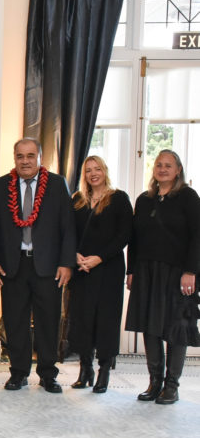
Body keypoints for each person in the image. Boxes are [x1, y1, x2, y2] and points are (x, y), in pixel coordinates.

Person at [0, 138, 76, 393]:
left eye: (30, 156)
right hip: (12, 266)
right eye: (20, 156)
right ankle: (18, 373)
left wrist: (66, 263)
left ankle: (48, 374)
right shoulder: (1, 186)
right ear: (14, 158)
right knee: (14, 321)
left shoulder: (57, 184)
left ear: (40, 157)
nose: (25, 161)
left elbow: (68, 227)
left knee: (48, 321)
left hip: (48, 266)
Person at [125, 150, 200, 404]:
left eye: (168, 165)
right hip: (146, 271)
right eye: (159, 165)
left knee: (176, 327)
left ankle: (172, 386)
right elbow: (134, 239)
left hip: (179, 273)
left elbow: (197, 236)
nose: (163, 169)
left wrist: (191, 271)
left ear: (178, 170)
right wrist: (131, 270)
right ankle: (154, 382)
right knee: (150, 327)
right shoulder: (144, 200)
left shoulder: (189, 197)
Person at [68, 156, 132, 393]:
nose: (93, 174)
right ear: (84, 175)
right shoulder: (77, 200)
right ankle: (85, 369)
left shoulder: (118, 198)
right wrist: (74, 255)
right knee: (83, 319)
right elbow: (68, 231)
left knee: (106, 320)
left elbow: (124, 235)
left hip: (108, 269)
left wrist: (99, 258)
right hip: (81, 269)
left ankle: (104, 370)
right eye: (88, 171)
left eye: (97, 169)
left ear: (104, 171)